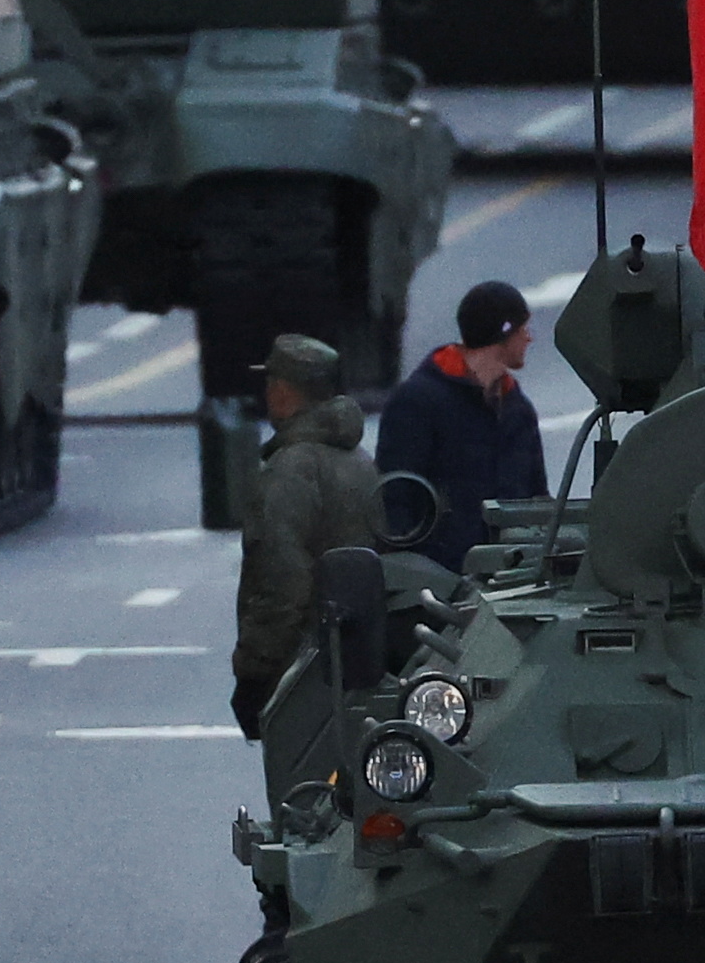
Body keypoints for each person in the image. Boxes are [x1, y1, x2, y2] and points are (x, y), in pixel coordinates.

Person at [230, 333, 388, 735]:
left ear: (283, 392)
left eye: (270, 384)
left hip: (302, 672)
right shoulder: (359, 460)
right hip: (358, 658)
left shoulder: (289, 470)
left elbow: (281, 582)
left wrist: (255, 674)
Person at [368, 282, 545, 572]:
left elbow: (537, 497)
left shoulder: (518, 409)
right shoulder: (418, 402)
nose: (529, 338)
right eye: (522, 329)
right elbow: (396, 498)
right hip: (442, 580)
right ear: (502, 332)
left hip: (513, 576)